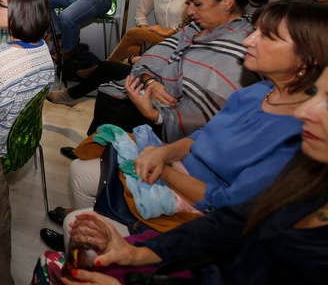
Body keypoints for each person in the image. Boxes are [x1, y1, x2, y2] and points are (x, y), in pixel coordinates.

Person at [40, 0, 328, 253]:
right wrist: (163, 153)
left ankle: (96, 239)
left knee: (75, 221)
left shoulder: (303, 133)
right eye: (255, 31)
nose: (248, 41)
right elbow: (201, 136)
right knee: (80, 171)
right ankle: (91, 228)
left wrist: (163, 167)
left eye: (267, 36)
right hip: (179, 168)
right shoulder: (256, 92)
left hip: (203, 211)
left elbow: (225, 204)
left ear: (308, 58)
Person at [61, 63, 328, 285]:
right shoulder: (306, 179)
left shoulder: (291, 145)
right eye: (315, 93)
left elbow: (222, 209)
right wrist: (136, 253)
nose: (304, 111)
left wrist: (164, 168)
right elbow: (229, 223)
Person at [50, 0, 268, 144]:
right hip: (158, 84)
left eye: (197, 4)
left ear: (228, 2)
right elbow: (156, 56)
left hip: (174, 112)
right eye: (189, 4)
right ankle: (94, 146)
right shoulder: (197, 27)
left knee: (116, 96)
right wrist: (150, 81)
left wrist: (156, 108)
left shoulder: (242, 43)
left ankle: (104, 153)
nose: (190, 11)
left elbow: (203, 105)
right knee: (109, 69)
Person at [0, 0, 55, 156]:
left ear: (19, 13)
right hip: (24, 139)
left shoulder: (0, 58)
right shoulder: (43, 47)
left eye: (0, 5)